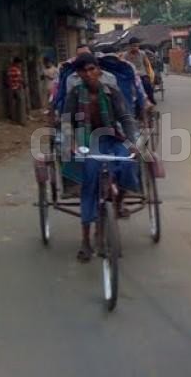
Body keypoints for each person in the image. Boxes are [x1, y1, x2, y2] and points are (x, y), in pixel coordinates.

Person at [63, 53, 140, 262]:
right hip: (87, 142)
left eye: (91, 70)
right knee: (89, 183)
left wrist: (132, 143)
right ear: (78, 74)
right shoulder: (75, 94)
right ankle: (86, 240)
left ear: (98, 70)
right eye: (83, 71)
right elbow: (67, 121)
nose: (88, 74)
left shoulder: (111, 92)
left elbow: (126, 118)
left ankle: (118, 203)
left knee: (128, 164)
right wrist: (71, 142)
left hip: (112, 138)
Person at [123, 37, 156, 104]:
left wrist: (148, 75)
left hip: (142, 74)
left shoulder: (142, 54)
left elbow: (147, 65)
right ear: (130, 46)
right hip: (131, 75)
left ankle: (151, 99)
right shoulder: (125, 55)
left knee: (147, 85)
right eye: (134, 46)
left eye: (137, 46)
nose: (136, 47)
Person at [6, 57, 27, 125]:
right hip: (17, 88)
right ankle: (21, 121)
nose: (20, 65)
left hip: (11, 88)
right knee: (20, 104)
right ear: (16, 63)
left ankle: (14, 120)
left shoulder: (10, 69)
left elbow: (9, 79)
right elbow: (19, 79)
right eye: (20, 63)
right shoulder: (15, 70)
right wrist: (23, 83)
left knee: (13, 105)